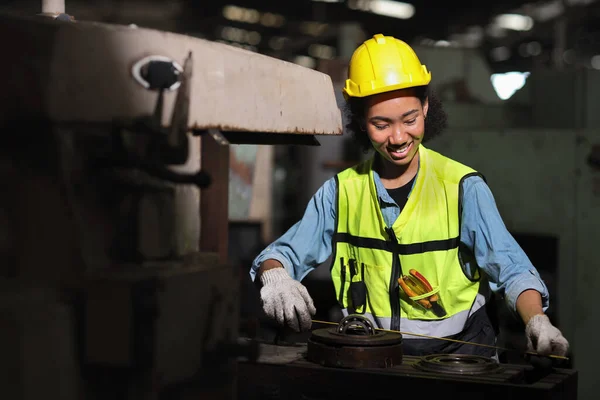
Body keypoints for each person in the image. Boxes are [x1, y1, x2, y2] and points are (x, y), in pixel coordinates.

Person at [249, 33, 569, 358]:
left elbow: (511, 268)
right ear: (361, 121)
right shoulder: (341, 192)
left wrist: (538, 320)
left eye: (410, 119)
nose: (399, 137)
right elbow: (283, 253)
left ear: (426, 106)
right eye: (381, 124)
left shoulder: (462, 187)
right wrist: (276, 276)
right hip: (370, 359)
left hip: (460, 364)